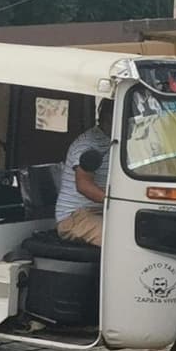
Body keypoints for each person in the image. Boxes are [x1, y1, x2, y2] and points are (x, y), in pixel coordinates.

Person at [55, 99, 113, 246]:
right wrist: (118, 202)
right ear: (108, 117)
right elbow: (84, 185)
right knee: (119, 241)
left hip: (103, 213)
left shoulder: (118, 141)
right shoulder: (89, 145)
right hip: (76, 216)